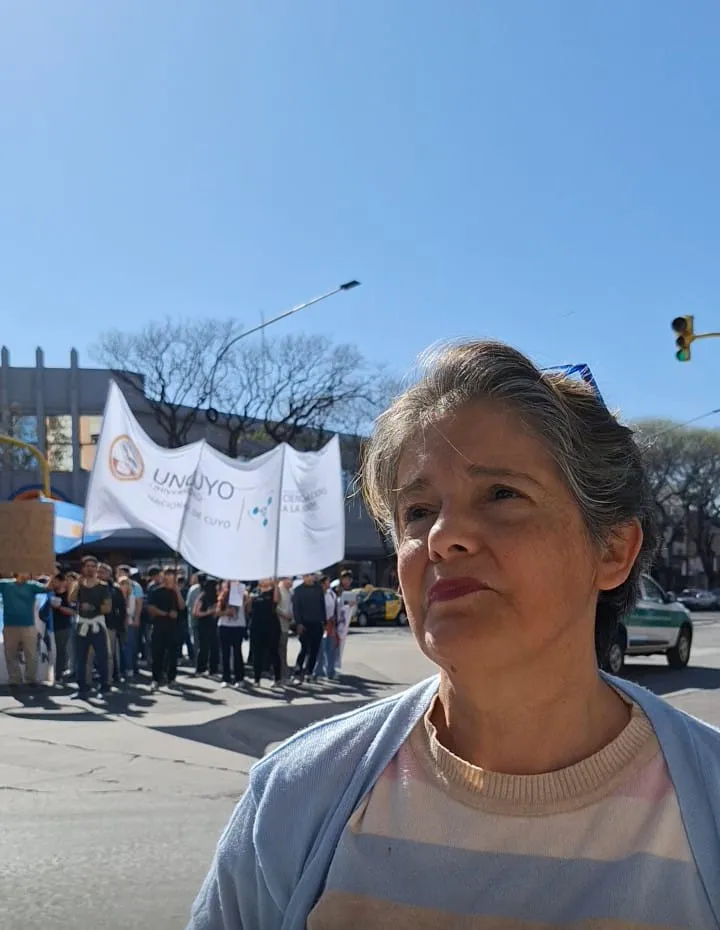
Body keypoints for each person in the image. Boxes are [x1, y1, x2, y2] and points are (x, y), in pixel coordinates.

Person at [189, 340, 720, 930]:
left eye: (501, 494)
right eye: (417, 511)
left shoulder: (707, 797)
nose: (443, 537)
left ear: (614, 549)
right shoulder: (298, 795)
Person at [0, 573, 49, 687]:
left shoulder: (32, 585)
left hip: (28, 625)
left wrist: (51, 573)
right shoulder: (5, 584)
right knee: (10, 654)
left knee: (31, 653)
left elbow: (48, 589)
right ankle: (14, 679)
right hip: (9, 625)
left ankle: (30, 679)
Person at [74, 555, 112, 698]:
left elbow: (107, 607)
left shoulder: (103, 586)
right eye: (87, 566)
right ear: (83, 568)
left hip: (97, 624)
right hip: (82, 624)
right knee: (81, 657)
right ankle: (82, 687)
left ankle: (105, 686)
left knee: (102, 656)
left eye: (93, 566)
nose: (90, 569)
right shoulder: (79, 584)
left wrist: (93, 607)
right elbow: (71, 599)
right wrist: (77, 584)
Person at [147, 567, 184, 691]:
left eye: (172, 575)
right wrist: (166, 614)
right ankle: (155, 679)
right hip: (159, 627)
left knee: (173, 655)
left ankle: (171, 678)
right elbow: (151, 608)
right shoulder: (156, 591)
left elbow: (182, 606)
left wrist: (177, 591)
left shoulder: (176, 592)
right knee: (158, 655)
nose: (169, 578)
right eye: (167, 575)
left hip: (173, 628)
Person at [291, 573, 326, 684]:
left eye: (311, 575)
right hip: (304, 624)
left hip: (317, 623)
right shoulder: (298, 590)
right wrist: (299, 623)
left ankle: (309, 672)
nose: (310, 578)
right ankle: (297, 672)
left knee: (314, 650)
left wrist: (324, 621)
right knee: (304, 648)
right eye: (307, 576)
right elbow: (296, 608)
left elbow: (322, 605)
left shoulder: (318, 589)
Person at [249, 579, 282, 688]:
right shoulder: (254, 591)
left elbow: (277, 600)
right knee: (257, 653)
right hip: (256, 626)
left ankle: (277, 678)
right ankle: (257, 679)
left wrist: (276, 585)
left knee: (273, 653)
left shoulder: (273, 591)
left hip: (271, 626)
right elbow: (249, 608)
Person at [217, 580, 248, 688]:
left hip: (238, 626)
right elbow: (217, 611)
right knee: (225, 653)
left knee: (237, 652)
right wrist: (225, 612)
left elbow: (247, 605)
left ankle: (239, 677)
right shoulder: (223, 594)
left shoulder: (242, 593)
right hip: (224, 626)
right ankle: (226, 678)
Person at [49, 572, 75, 685]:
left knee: (61, 650)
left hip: (63, 626)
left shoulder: (69, 595)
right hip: (49, 626)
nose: (54, 583)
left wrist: (59, 607)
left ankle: (58, 674)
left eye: (56, 581)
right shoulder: (50, 594)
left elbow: (73, 611)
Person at [313, 575, 340, 681]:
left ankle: (330, 671)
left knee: (331, 649)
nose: (329, 584)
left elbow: (335, 609)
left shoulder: (332, 594)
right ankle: (317, 672)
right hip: (320, 624)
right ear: (322, 584)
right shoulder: (317, 595)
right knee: (320, 649)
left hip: (331, 624)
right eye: (327, 582)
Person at [194, 578, 219, 677]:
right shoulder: (202, 597)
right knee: (204, 648)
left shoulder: (217, 597)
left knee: (215, 648)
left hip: (214, 625)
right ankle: (201, 669)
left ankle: (214, 670)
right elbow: (195, 612)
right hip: (204, 625)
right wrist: (207, 612)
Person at [335, 569, 356, 669]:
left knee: (341, 644)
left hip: (345, 622)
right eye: (345, 579)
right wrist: (348, 605)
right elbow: (337, 605)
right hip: (335, 621)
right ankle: (332, 665)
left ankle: (337, 664)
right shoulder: (336, 590)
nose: (347, 581)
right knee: (334, 644)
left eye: (348, 579)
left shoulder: (351, 591)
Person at [275, 577, 293, 680]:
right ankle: (282, 675)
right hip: (278, 626)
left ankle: (283, 674)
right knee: (280, 651)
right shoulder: (279, 589)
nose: (291, 582)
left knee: (283, 650)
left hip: (286, 626)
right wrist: (285, 615)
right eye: (289, 579)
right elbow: (275, 607)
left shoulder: (289, 592)